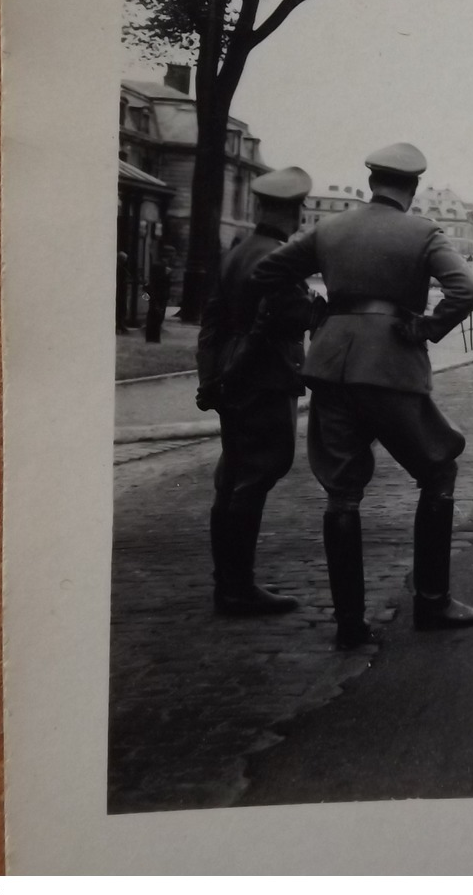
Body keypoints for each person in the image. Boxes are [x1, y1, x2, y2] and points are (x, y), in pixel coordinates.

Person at [252, 143, 473, 650]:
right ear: (412, 188)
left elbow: (267, 273)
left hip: (332, 365)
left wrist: (314, 314)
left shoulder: (332, 228)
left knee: (342, 493)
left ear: (371, 182)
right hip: (390, 367)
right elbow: (466, 290)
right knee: (438, 469)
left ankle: (349, 625)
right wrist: (428, 328)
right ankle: (432, 602)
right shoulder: (422, 231)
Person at [195, 167, 321, 617]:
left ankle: (226, 583)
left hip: (231, 378)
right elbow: (284, 319)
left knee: (231, 479)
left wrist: (209, 378)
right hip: (264, 380)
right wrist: (318, 309)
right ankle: (238, 588)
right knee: (256, 476)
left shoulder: (236, 252)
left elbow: (211, 323)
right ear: (297, 210)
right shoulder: (278, 258)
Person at [144, 246, 175, 344]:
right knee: (156, 314)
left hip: (160, 294)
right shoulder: (160, 266)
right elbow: (157, 282)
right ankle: (153, 337)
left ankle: (153, 337)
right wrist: (165, 273)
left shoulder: (163, 265)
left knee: (157, 315)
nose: (174, 256)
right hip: (158, 294)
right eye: (172, 254)